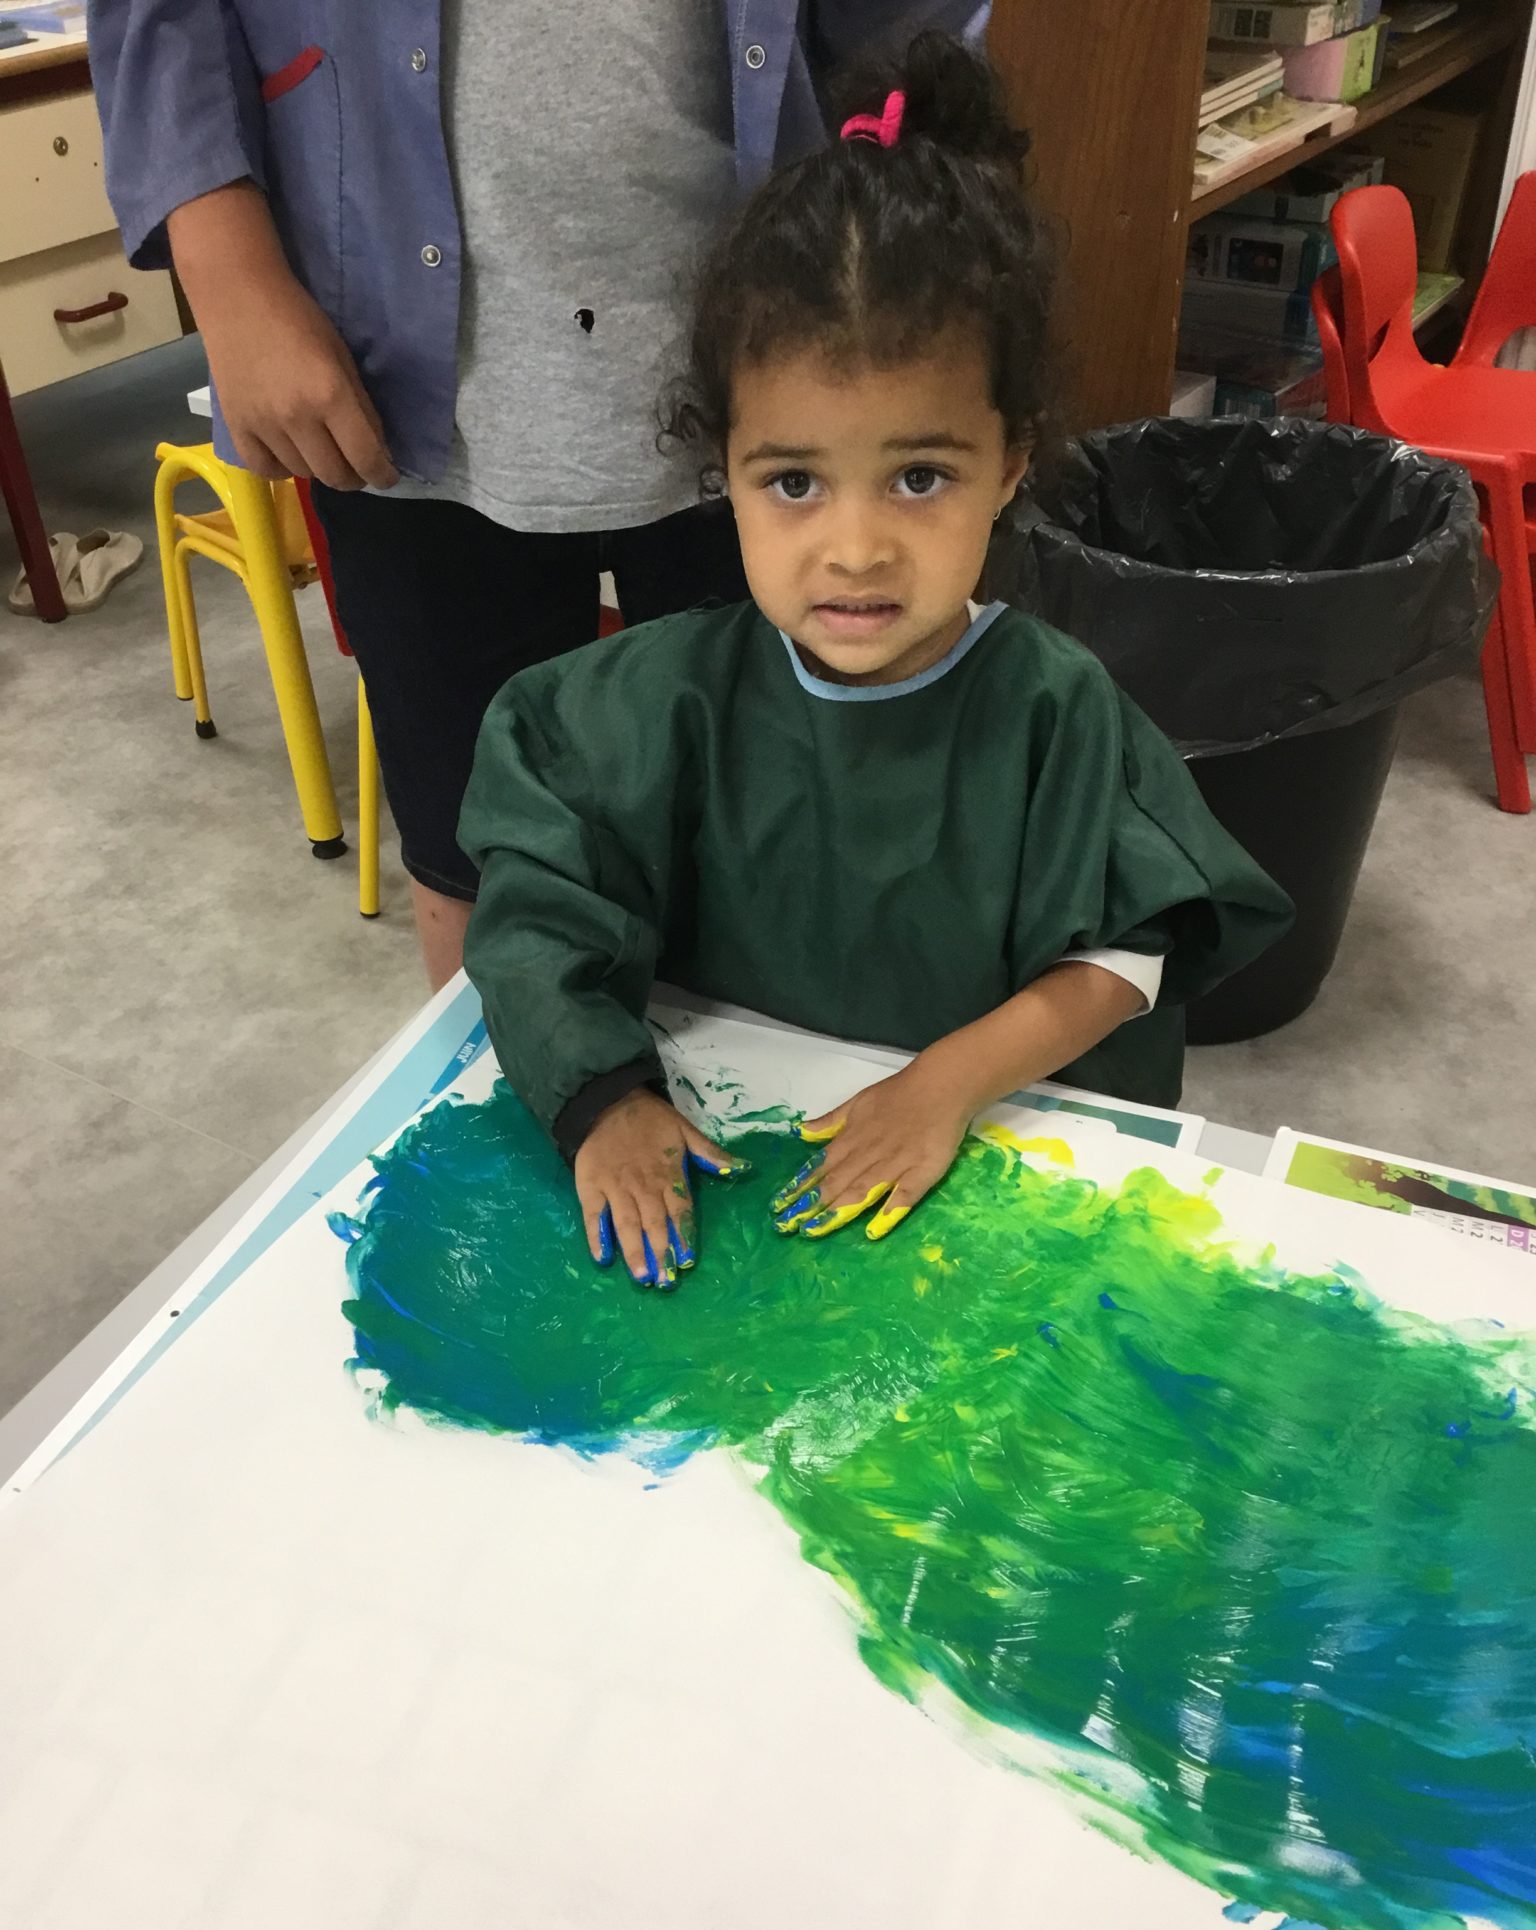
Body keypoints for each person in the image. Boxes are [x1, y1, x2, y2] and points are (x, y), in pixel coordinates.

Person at [458, 32, 1294, 1289]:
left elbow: (1132, 957)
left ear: (1009, 465)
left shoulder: (1055, 712)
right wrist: (601, 1097)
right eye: (794, 481)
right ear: (722, 473)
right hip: (747, 1185)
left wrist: (946, 1082)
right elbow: (533, 909)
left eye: (919, 477)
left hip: (987, 1168)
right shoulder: (648, 706)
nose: (854, 549)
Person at [91, 1, 986, 987]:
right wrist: (227, 269)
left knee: (806, 868)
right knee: (482, 881)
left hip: (797, 354)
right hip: (397, 368)